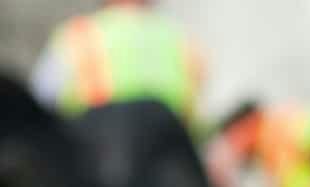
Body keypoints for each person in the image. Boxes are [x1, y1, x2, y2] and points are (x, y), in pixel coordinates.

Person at [31, 0, 204, 124]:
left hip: (91, 165)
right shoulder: (183, 43)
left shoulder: (78, 36)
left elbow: (36, 108)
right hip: (168, 166)